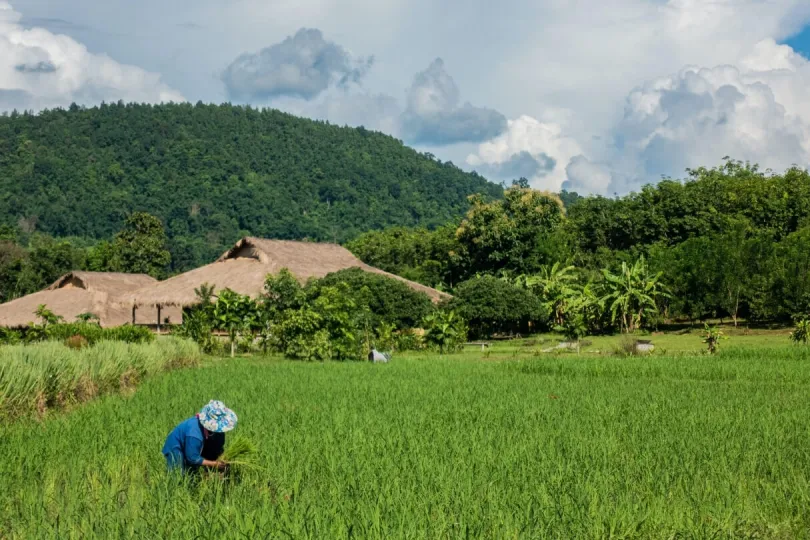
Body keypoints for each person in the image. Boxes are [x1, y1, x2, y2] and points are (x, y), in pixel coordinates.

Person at [162, 400, 237, 474]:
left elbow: (218, 447)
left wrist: (223, 457)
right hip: (175, 446)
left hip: (196, 443)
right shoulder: (194, 434)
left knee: (194, 472)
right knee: (178, 474)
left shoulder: (218, 433)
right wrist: (214, 464)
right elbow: (192, 458)